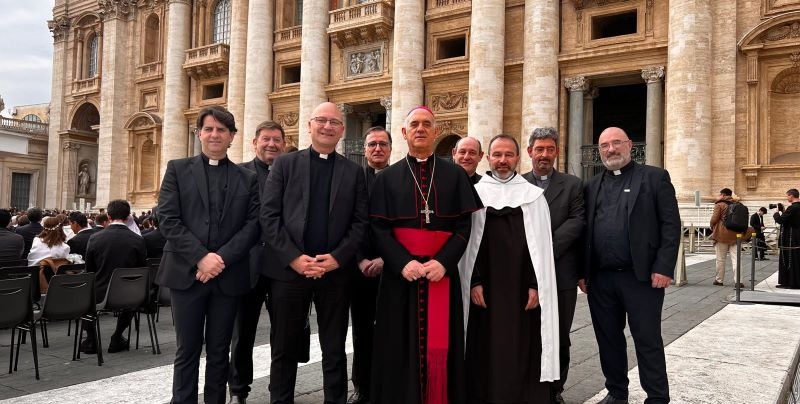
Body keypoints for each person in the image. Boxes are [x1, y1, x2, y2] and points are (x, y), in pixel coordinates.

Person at [369, 106, 482, 404]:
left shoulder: (456, 175)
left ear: (435, 130)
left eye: (427, 124)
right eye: (414, 124)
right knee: (397, 343)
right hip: (400, 277)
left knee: (443, 342)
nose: (420, 129)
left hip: (440, 273)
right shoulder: (385, 178)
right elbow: (378, 228)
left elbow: (463, 225)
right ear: (404, 132)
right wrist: (402, 263)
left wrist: (443, 263)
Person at [260, 102, 367, 404]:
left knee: (334, 347)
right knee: (284, 347)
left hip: (335, 273)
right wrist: (294, 258)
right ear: (309, 125)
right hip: (289, 271)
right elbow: (269, 217)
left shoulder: (354, 171)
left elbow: (360, 223)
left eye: (334, 122)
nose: (327, 126)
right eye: (321, 120)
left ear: (342, 129)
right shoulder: (285, 164)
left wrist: (337, 258)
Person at [156, 106, 261, 404]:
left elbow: (253, 225)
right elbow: (168, 219)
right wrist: (201, 257)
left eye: (222, 130)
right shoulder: (177, 168)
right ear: (199, 133)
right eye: (209, 129)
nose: (215, 134)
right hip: (186, 275)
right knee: (186, 350)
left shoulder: (247, 178)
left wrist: (220, 259)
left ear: (232, 137)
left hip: (227, 276)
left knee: (219, 351)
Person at [583, 127, 680, 404]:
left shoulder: (654, 177)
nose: (610, 150)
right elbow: (585, 231)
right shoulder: (591, 185)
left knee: (647, 339)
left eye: (616, 143)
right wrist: (582, 272)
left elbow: (671, 225)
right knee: (608, 340)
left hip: (642, 278)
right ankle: (616, 393)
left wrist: (664, 266)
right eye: (604, 146)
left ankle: (658, 397)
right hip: (601, 279)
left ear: (629, 145)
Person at [459, 134, 559, 403]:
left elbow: (538, 248)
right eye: (497, 155)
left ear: (518, 157)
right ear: (488, 158)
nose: (503, 160)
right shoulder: (475, 195)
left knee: (520, 345)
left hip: (521, 290)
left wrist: (536, 284)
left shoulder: (534, 197)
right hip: (485, 290)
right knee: (484, 346)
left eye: (508, 155)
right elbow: (469, 243)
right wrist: (474, 281)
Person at [522, 127, 585, 404]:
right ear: (530, 152)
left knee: (559, 335)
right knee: (526, 333)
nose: (544, 155)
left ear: (557, 152)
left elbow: (577, 221)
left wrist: (543, 247)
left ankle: (556, 389)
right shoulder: (517, 184)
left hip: (561, 274)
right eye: (539, 149)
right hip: (523, 275)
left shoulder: (573, 185)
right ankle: (526, 385)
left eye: (549, 149)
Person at [228, 120, 286, 404]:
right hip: (246, 264)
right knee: (242, 334)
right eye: (266, 139)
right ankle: (239, 390)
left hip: (283, 266)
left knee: (284, 334)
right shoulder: (238, 174)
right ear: (255, 142)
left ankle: (280, 390)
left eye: (277, 140)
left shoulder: (292, 173)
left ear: (283, 144)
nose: (272, 144)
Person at [348, 126, 391, 404]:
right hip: (359, 268)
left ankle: (389, 385)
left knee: (391, 330)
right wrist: (360, 258)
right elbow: (347, 223)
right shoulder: (353, 180)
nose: (377, 149)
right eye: (372, 144)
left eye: (382, 144)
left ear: (390, 148)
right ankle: (361, 386)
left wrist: (387, 259)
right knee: (361, 331)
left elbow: (404, 226)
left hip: (393, 268)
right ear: (364, 150)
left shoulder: (400, 178)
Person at [80, 199, 147, 354]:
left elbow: (89, 269)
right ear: (128, 216)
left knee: (84, 295)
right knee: (131, 296)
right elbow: (142, 268)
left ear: (108, 216)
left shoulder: (95, 238)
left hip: (100, 293)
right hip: (129, 294)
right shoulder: (137, 240)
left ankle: (91, 340)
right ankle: (117, 337)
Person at [710, 188, 745, 288]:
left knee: (720, 259)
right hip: (736, 235)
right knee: (737, 259)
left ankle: (719, 280)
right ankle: (739, 281)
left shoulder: (719, 204)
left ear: (722, 195)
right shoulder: (739, 205)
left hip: (722, 235)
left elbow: (714, 219)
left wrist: (711, 225)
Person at [774, 188, 800, 289]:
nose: (787, 197)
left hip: (790, 238)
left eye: (787, 196)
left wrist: (776, 213)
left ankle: (789, 282)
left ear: (791, 196)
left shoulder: (793, 208)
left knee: (789, 259)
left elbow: (780, 220)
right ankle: (795, 282)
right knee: (796, 259)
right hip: (797, 236)